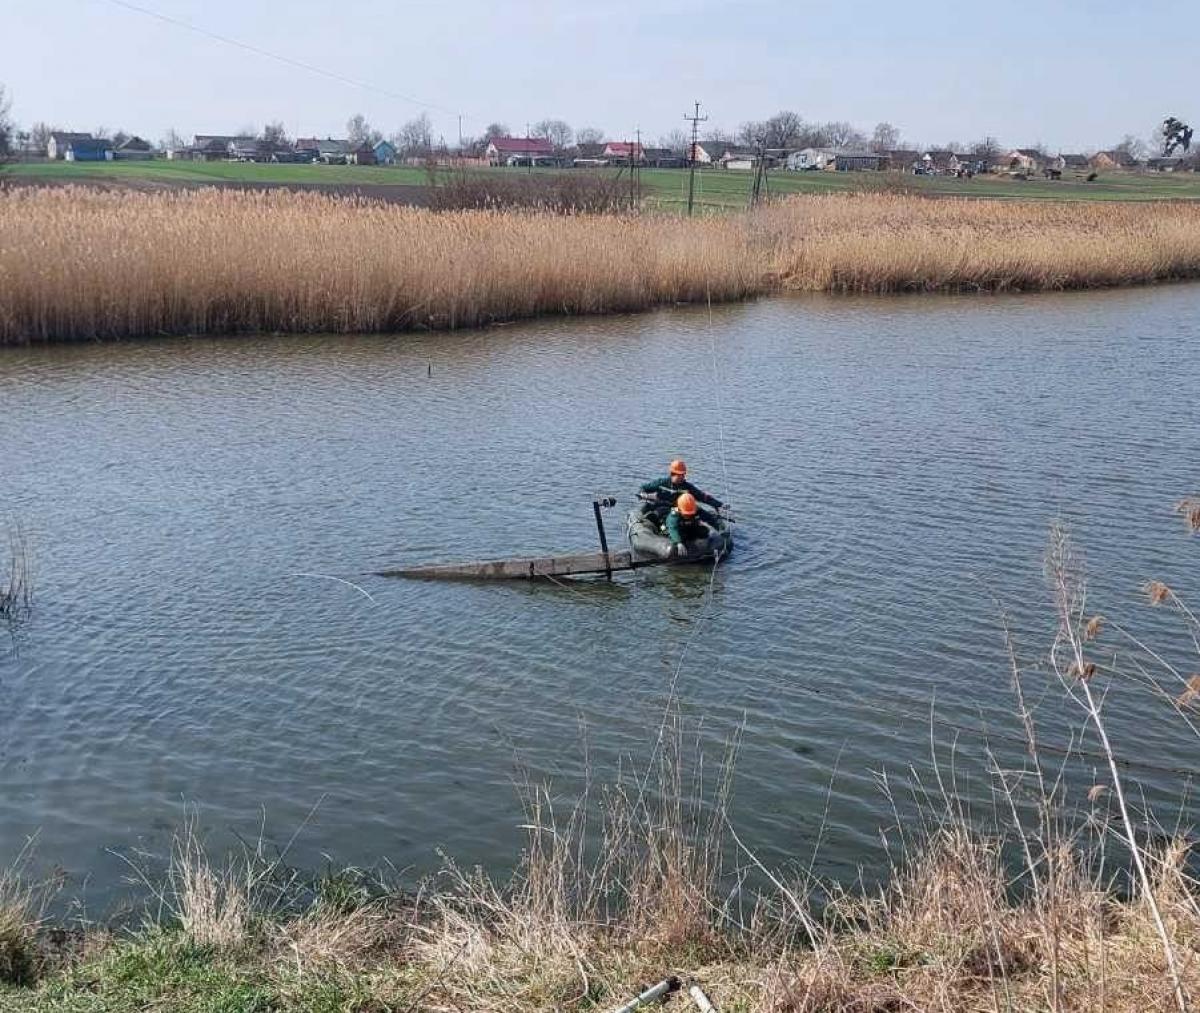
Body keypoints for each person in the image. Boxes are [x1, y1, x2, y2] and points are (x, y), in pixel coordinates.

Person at [638, 459, 723, 522]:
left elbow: (701, 496)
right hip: (664, 507)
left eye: (683, 474)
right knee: (661, 513)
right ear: (672, 474)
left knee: (699, 511)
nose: (683, 477)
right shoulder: (661, 483)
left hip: (680, 508)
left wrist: (718, 504)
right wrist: (643, 495)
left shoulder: (687, 487)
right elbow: (644, 487)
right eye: (680, 475)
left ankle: (714, 523)